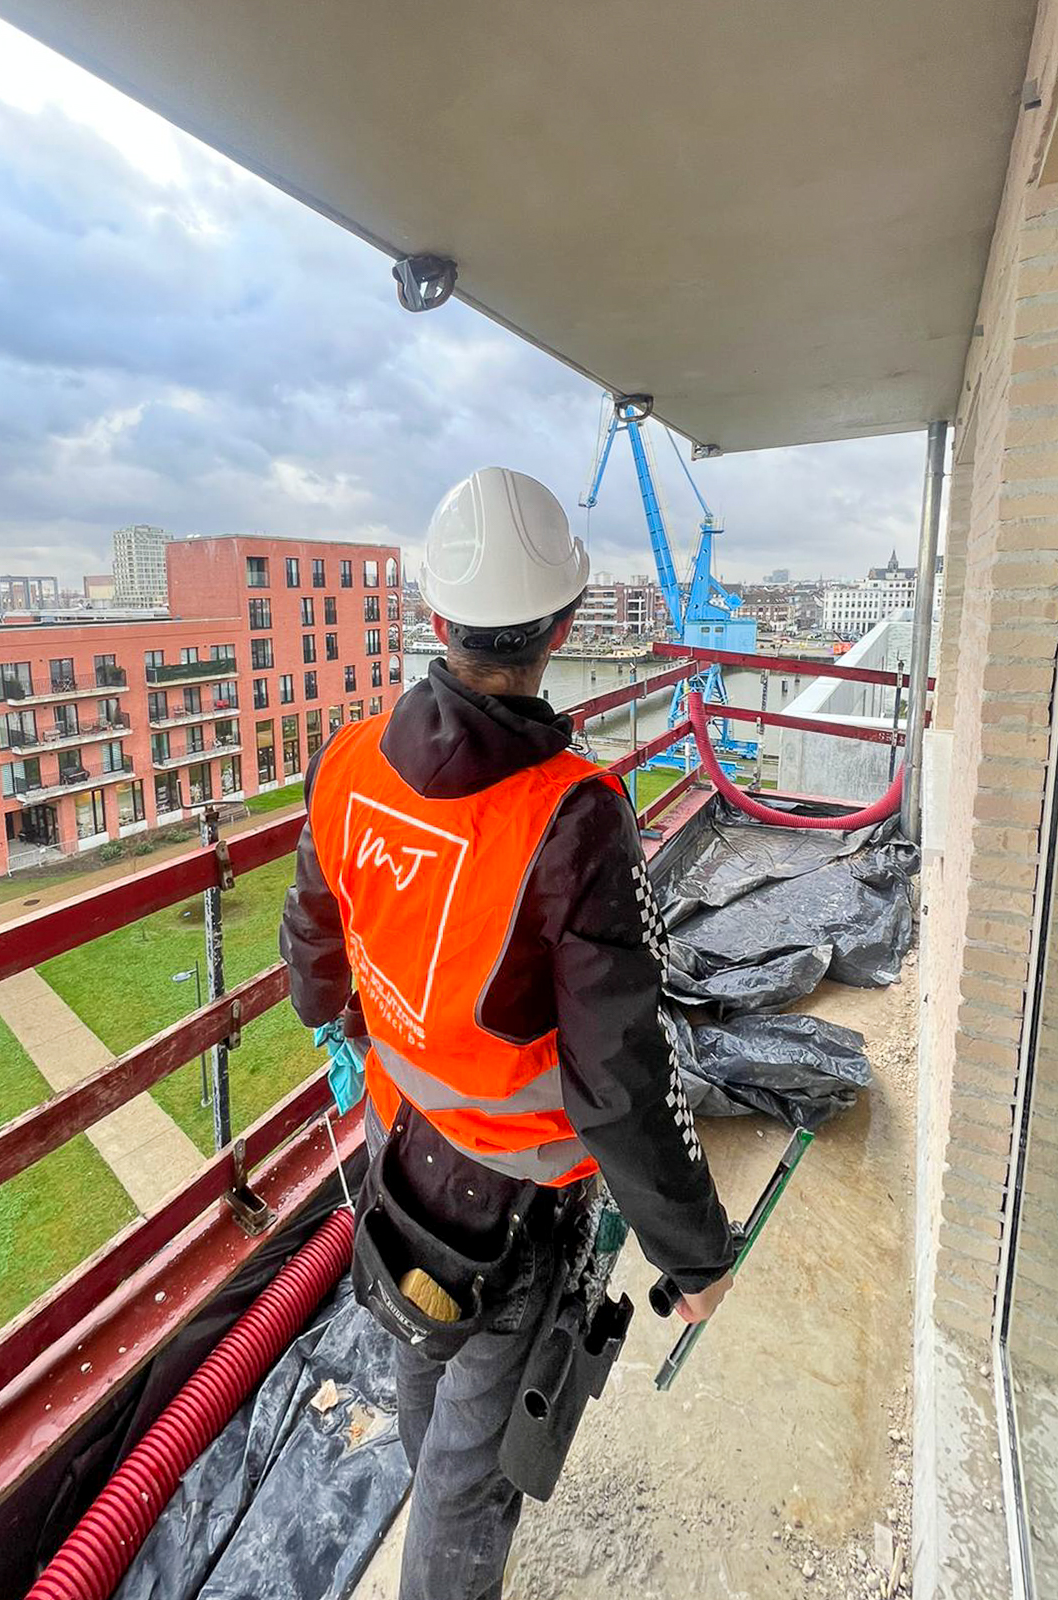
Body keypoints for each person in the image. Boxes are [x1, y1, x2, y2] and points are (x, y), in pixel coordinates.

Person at [280, 467, 735, 1600]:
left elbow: (313, 941)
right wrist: (695, 1253)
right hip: (517, 1204)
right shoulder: (574, 817)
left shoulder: (347, 763)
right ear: (563, 626)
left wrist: (341, 1024)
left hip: (397, 1151)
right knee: (468, 1483)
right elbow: (622, 1078)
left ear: (436, 620)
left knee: (423, 1365)